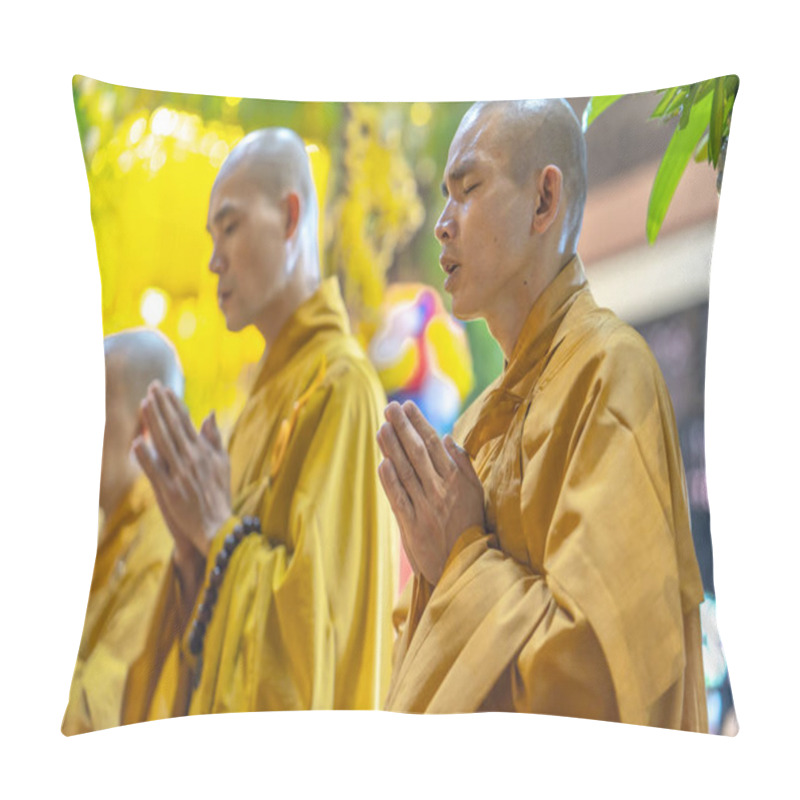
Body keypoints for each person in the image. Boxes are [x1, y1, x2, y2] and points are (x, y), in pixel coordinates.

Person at [377, 99, 708, 729]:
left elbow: (600, 681)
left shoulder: (610, 373)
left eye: (468, 188)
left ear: (543, 201)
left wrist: (460, 560)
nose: (442, 224)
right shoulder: (472, 427)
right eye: (444, 197)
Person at [123, 127, 396, 720]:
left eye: (231, 226)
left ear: (289, 216)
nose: (214, 260)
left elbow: (316, 648)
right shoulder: (251, 414)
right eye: (211, 236)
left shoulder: (341, 389)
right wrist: (194, 553)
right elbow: (209, 639)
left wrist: (218, 532)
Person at [62, 329, 182, 735]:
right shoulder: (110, 527)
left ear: (143, 425)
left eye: (92, 407)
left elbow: (92, 720)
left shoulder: (163, 541)